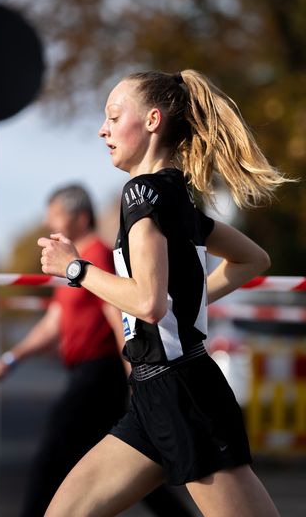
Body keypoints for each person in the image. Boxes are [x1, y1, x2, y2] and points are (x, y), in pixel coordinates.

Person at [38, 70, 289, 517]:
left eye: (114, 116)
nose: (103, 129)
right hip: (154, 396)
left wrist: (75, 269)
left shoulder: (142, 193)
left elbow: (149, 303)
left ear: (152, 120)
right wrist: (185, 307)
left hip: (182, 395)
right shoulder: (178, 199)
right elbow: (254, 260)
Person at [0, 184, 194, 517]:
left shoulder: (94, 256)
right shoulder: (70, 264)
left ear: (81, 217)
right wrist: (11, 360)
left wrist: (137, 376)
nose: (47, 220)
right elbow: (53, 323)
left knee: (52, 457)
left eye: (55, 212)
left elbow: (116, 318)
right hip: (86, 374)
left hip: (98, 375)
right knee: (130, 461)